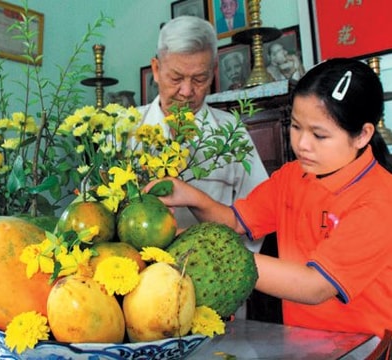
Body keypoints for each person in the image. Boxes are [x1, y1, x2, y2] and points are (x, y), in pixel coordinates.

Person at [146, 58, 392, 338]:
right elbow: (237, 222)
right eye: (297, 127)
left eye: (319, 135)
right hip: (302, 342)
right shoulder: (292, 176)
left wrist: (212, 253)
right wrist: (191, 196)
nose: (301, 144)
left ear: (362, 135)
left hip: (364, 348)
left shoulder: (381, 200)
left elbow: (315, 286)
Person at [137, 16, 268, 234]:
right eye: (176, 78)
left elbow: (259, 215)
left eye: (199, 79)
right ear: (156, 69)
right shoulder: (123, 130)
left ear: (213, 72)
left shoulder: (231, 133)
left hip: (213, 262)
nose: (187, 91)